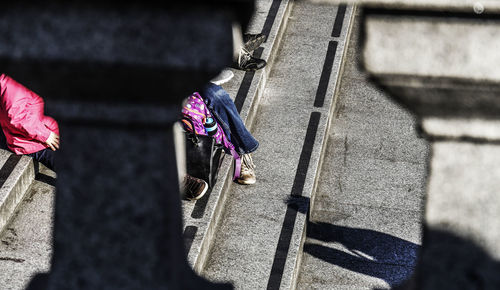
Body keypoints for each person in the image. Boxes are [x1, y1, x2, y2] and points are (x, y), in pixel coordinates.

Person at [0, 74, 59, 171]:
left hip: (45, 129)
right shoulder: (11, 81)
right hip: (33, 141)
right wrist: (45, 135)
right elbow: (18, 117)